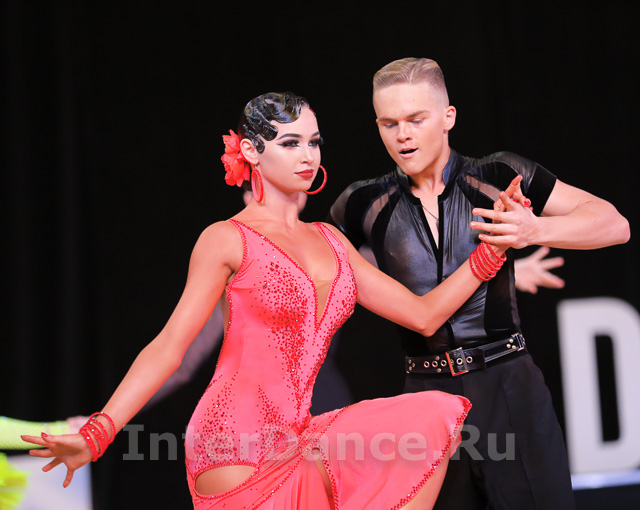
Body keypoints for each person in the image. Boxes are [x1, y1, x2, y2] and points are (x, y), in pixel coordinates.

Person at [22, 91, 526, 509]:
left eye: (314, 142)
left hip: (300, 438)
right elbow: (170, 346)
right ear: (250, 151)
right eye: (290, 143)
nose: (308, 156)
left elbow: (425, 315)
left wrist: (492, 250)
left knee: (433, 416)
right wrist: (100, 431)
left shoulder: (332, 240)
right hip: (230, 442)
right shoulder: (226, 238)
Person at [329, 57, 630, 510]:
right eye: (389, 124)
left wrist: (535, 229)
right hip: (424, 396)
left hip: (507, 384)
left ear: (448, 117)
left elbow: (614, 224)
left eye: (416, 119)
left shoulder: (497, 175)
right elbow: (313, 263)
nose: (403, 134)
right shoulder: (361, 202)